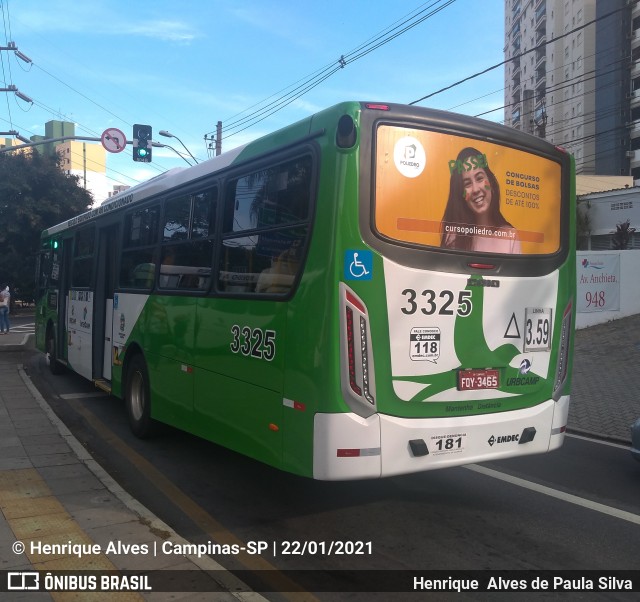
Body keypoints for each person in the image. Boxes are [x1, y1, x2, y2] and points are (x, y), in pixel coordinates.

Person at [440, 147, 521, 254]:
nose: (475, 189)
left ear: (490, 182)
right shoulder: (454, 235)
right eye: (467, 183)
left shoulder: (510, 235)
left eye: (479, 178)